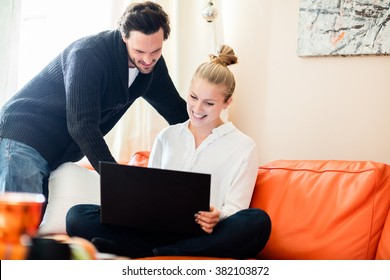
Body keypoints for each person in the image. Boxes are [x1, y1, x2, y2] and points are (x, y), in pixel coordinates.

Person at [66, 45, 271, 259]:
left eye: (209, 103)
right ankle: (154, 249)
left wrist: (218, 216)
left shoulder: (243, 146)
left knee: (257, 222)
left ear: (227, 102)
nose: (197, 109)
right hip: (153, 230)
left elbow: (236, 208)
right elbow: (149, 193)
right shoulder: (167, 136)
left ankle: (152, 253)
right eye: (193, 97)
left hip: (205, 234)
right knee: (77, 216)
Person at [0, 2, 188, 198]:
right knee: (19, 225)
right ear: (124, 36)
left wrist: (217, 136)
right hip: (24, 137)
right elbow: (82, 125)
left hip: (56, 153)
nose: (148, 60)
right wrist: (118, 177)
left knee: (35, 224)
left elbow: (177, 111)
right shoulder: (88, 55)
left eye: (155, 51)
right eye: (140, 52)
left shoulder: (151, 68)